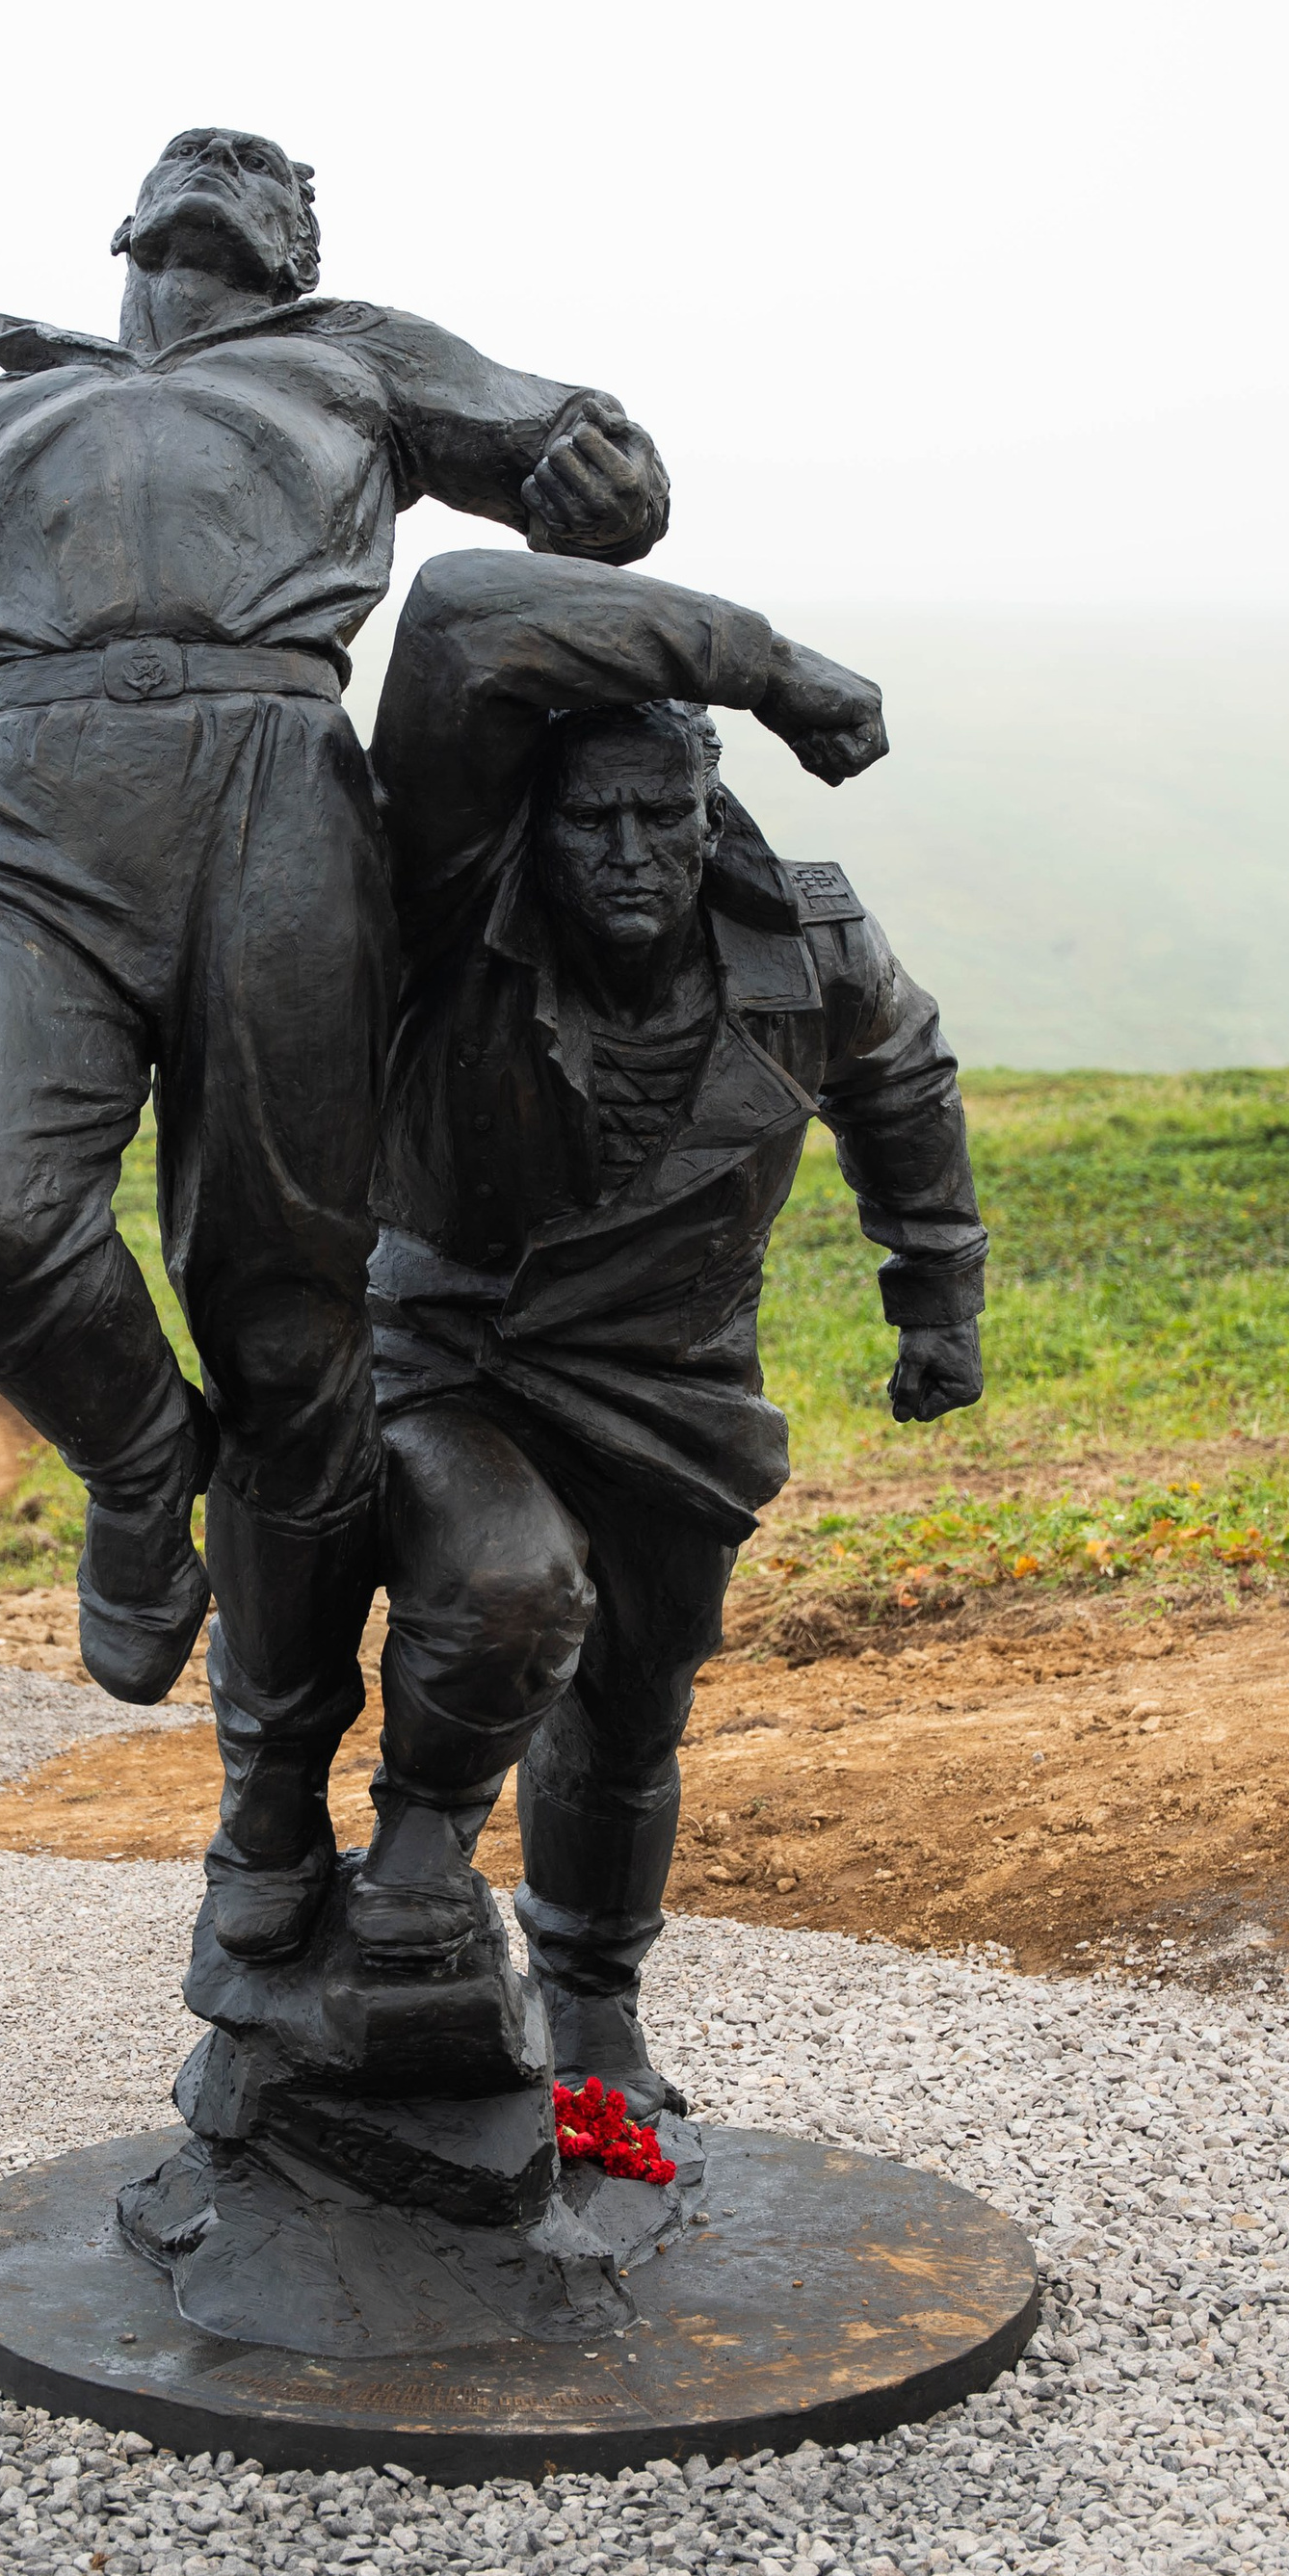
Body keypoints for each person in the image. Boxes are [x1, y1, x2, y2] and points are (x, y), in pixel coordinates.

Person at [0, 129, 672, 1959]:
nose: (227, 174)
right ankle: (128, 1467)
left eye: (264, 172)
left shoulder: (353, 354)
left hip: (276, 808)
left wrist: (603, 465)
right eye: (200, 162)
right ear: (131, 225)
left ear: (297, 243)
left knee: (288, 1331)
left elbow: (581, 465)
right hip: (27, 814)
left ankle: (272, 1804)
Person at [352, 549, 987, 2110]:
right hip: (460, 1356)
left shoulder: (810, 946)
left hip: (680, 1379)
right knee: (514, 1593)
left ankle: (592, 2006)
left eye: (665, 814)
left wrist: (937, 1295)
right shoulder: (456, 906)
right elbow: (463, 617)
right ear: (536, 823)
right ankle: (415, 1868)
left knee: (634, 1707)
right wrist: (766, 665)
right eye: (593, 818)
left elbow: (903, 1086)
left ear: (712, 811)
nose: (634, 852)